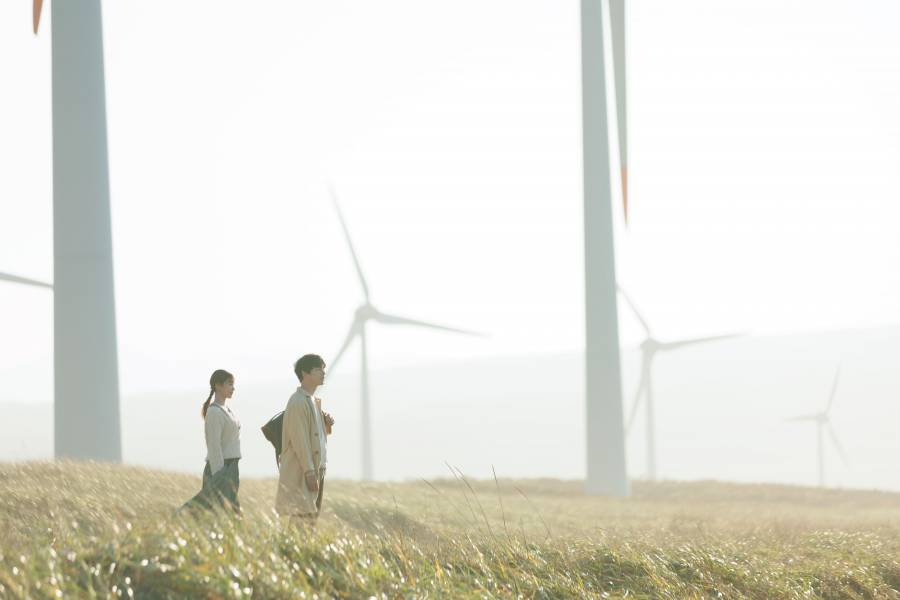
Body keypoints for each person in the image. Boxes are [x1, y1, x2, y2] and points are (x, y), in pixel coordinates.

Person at [275, 354, 333, 523]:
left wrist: (326, 425)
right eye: (318, 369)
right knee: (302, 518)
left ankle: (300, 549)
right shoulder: (298, 402)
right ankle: (290, 550)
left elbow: (316, 436)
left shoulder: (313, 401)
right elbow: (300, 440)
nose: (323, 373)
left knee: (310, 519)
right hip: (305, 471)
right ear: (305, 373)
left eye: (323, 369)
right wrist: (309, 472)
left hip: (317, 469)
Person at [182, 369, 242, 514]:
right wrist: (219, 476)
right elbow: (214, 445)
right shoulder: (214, 412)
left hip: (232, 467)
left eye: (233, 384)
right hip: (221, 468)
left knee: (227, 511)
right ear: (218, 385)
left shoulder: (226, 409)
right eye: (229, 384)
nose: (233, 388)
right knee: (215, 511)